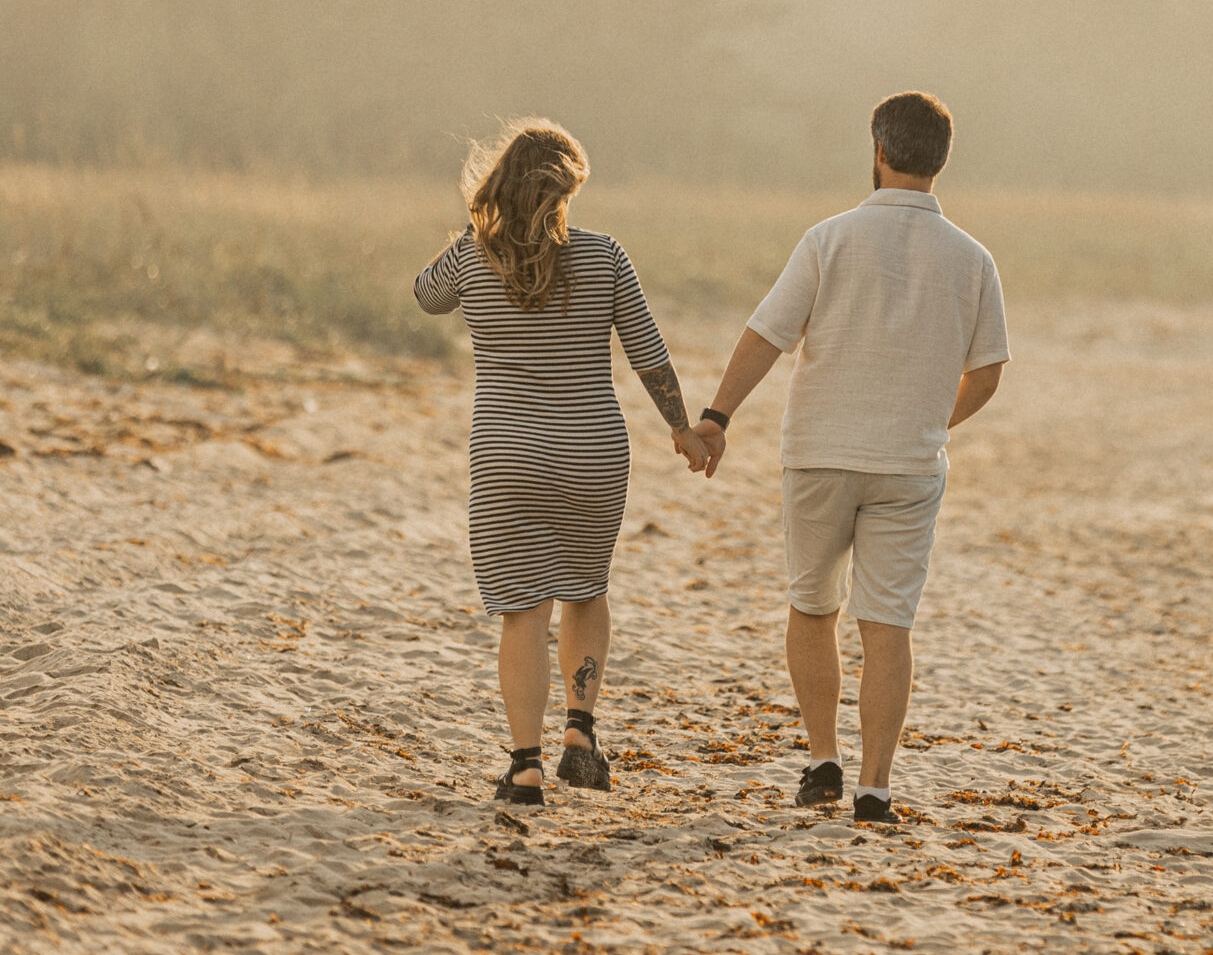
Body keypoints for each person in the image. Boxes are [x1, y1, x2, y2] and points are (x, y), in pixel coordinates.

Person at [687, 91, 1007, 824]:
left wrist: (716, 415)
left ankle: (822, 758)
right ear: (941, 161)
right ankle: (875, 786)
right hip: (910, 463)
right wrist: (932, 420)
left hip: (819, 454)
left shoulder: (828, 239)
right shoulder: (972, 258)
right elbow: (987, 373)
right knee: (887, 623)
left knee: (811, 605)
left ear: (877, 150)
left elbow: (767, 333)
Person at [413, 119, 709, 805]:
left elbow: (425, 295)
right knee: (585, 586)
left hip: (507, 454)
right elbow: (648, 353)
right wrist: (682, 429)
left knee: (524, 610)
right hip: (591, 452)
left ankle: (524, 767)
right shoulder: (605, 256)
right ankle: (581, 732)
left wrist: (475, 224)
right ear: (567, 188)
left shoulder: (470, 255)